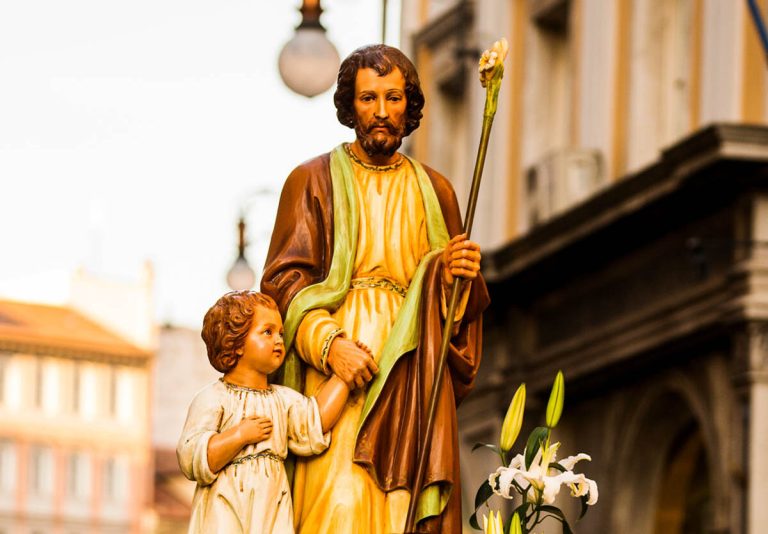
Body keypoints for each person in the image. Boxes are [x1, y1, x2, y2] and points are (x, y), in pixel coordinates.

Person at [261, 44, 489, 533]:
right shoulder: (311, 181)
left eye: (393, 98)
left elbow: (457, 319)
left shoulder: (438, 192)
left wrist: (455, 277)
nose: (382, 111)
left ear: (410, 106)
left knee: (398, 511)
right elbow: (283, 285)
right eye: (368, 98)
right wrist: (329, 346)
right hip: (337, 378)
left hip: (410, 374)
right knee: (335, 510)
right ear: (350, 106)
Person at [176, 291, 356, 533]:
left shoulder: (282, 399)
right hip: (226, 500)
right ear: (235, 343)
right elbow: (192, 457)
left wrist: (343, 378)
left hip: (272, 499)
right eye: (268, 332)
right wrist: (239, 435)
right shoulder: (214, 398)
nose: (279, 340)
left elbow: (314, 420)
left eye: (281, 333)